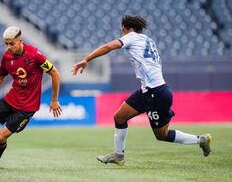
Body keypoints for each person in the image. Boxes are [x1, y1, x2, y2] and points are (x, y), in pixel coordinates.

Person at [72, 15, 212, 166]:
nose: (122, 32)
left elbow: (108, 47)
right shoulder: (148, 40)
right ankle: (118, 157)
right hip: (147, 91)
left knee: (162, 135)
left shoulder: (131, 37)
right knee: (119, 117)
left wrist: (86, 59)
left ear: (129, 29)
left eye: (122, 29)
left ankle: (200, 140)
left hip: (156, 93)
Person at [0, 26, 62, 169]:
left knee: (1, 137)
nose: (8, 47)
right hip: (10, 99)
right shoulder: (6, 57)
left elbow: (55, 73)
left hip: (27, 108)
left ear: (20, 41)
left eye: (11, 43)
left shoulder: (35, 55)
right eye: (6, 43)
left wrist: (54, 100)